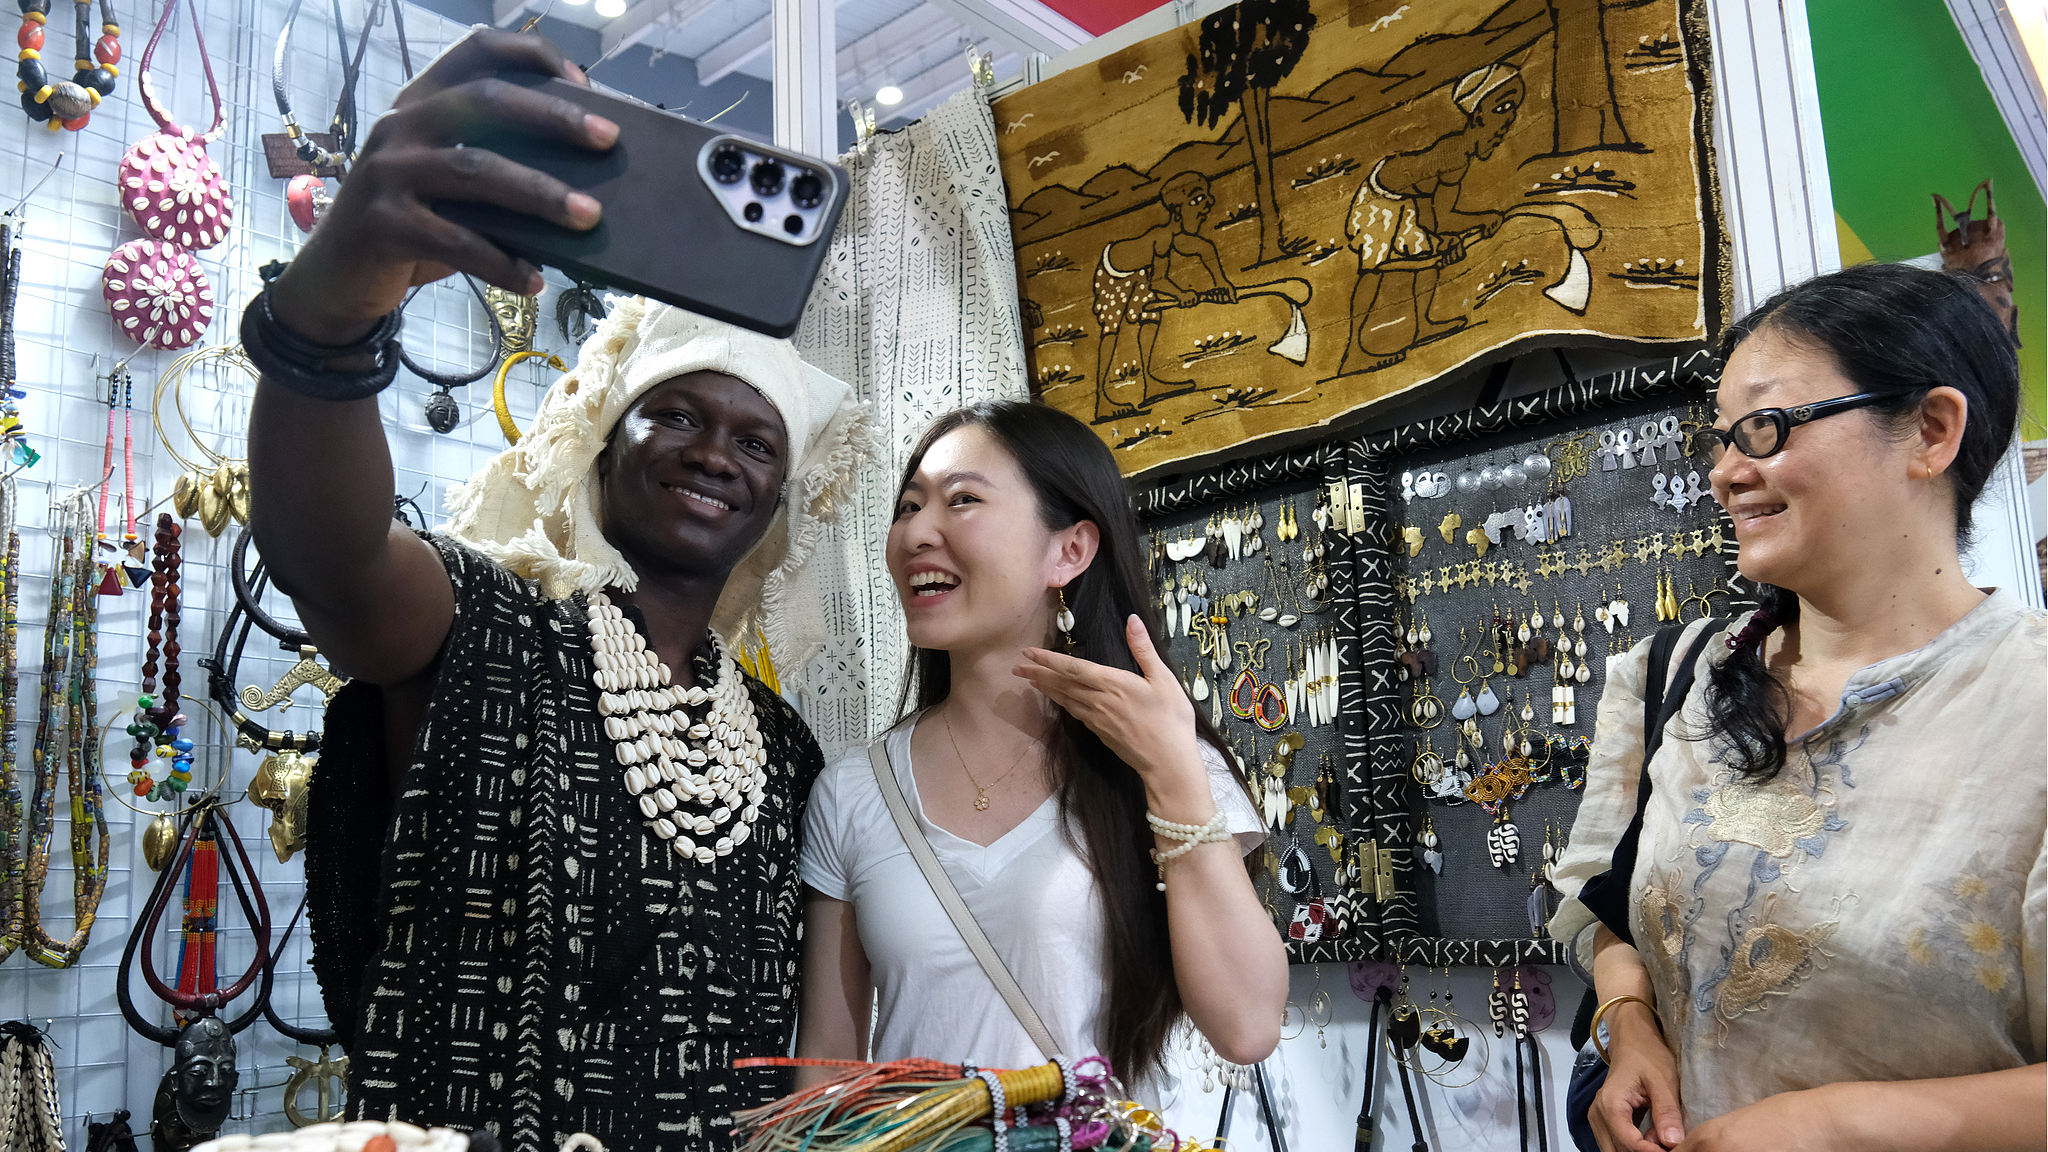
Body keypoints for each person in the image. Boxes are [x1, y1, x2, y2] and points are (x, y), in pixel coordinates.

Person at [244, 30, 871, 1152]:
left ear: (778, 501)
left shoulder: (779, 755)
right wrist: (332, 312)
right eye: (675, 413)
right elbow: (332, 562)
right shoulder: (487, 631)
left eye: (754, 441)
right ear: (596, 441)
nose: (714, 452)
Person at [1547, 263, 2045, 1152]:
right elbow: (1604, 907)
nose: (1726, 474)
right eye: (1722, 439)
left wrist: (1839, 1123)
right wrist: (1628, 1025)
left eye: (1766, 429)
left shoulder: (2025, 704)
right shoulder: (1682, 675)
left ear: (1930, 432)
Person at [794, 401, 1287, 1087]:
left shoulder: (1166, 766)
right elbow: (827, 1063)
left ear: (1069, 551)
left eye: (962, 500)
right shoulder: (852, 790)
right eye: (909, 506)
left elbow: (1248, 1026)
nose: (915, 534)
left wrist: (1171, 769)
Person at [1339, 62, 1523, 373]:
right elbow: (1440, 219)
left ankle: (1422, 325)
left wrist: (1446, 237)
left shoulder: (1459, 156)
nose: (1509, 119)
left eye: (1513, 108)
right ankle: (1352, 353)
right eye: (1501, 108)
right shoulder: (1454, 154)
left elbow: (1435, 215)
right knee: (1373, 269)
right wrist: (1482, 219)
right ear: (1477, 115)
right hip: (1380, 198)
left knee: (1427, 255)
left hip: (1410, 201)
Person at [1090, 172, 1237, 421]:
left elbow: (1205, 249)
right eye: (1197, 203)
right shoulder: (1163, 237)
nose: (1205, 210)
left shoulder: (1177, 237)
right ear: (1179, 210)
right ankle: (1102, 399)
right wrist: (1181, 295)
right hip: (1114, 271)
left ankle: (1150, 384)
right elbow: (1159, 281)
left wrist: (1222, 284)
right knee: (1111, 330)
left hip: (1139, 272)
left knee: (1150, 315)